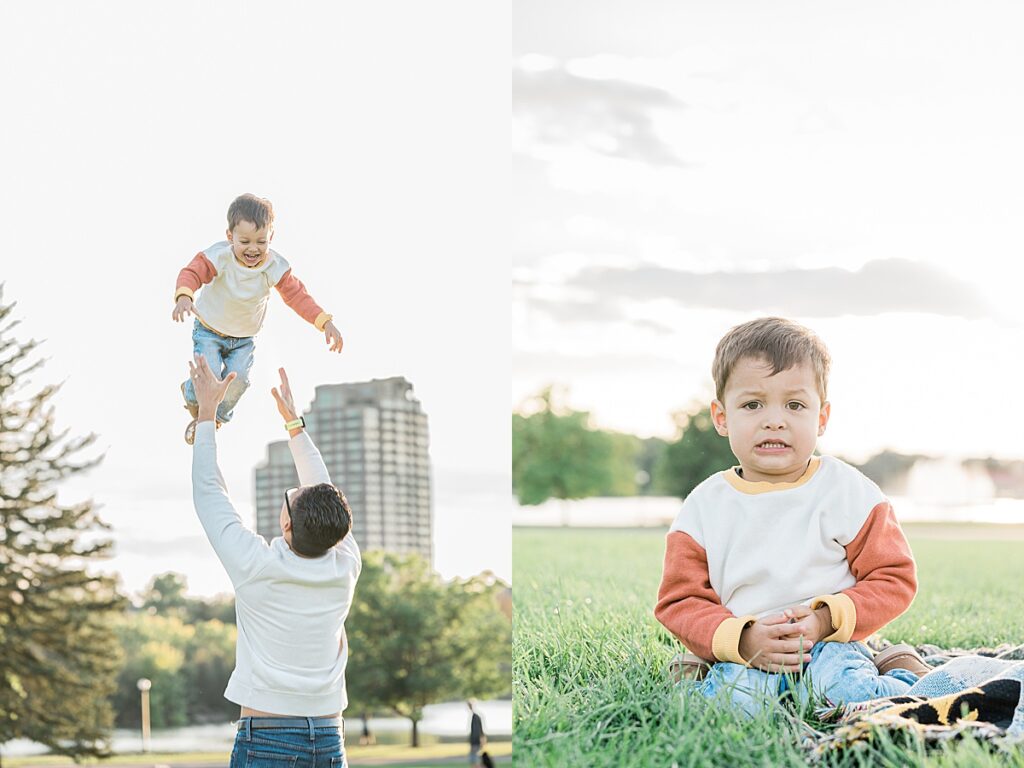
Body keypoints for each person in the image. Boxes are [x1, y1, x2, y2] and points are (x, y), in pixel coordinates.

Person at [654, 317, 931, 717]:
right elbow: (680, 600)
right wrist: (742, 639)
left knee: (852, 697)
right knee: (733, 710)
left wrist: (823, 620)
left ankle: (895, 661)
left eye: (795, 405)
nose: (774, 420)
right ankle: (698, 669)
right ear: (721, 416)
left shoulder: (848, 492)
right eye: (752, 404)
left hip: (832, 643)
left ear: (821, 418)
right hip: (746, 649)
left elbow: (894, 578)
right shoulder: (703, 507)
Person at [188, 357, 360, 765]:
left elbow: (209, 492)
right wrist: (294, 427)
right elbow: (322, 489)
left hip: (268, 742)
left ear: (286, 524)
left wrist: (207, 415)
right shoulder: (345, 564)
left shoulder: (257, 567)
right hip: (329, 739)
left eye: (293, 495)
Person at [173, 193, 344, 444]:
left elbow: (297, 296)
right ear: (230, 236)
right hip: (209, 331)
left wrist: (324, 322)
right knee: (209, 378)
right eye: (245, 241)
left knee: (238, 380)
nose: (253, 249)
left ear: (270, 238)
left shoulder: (274, 267)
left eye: (261, 242)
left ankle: (216, 417)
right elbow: (192, 272)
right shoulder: (219, 256)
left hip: (243, 339)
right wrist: (184, 296)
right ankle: (191, 393)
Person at [467, 700, 486, 767]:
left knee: (474, 760)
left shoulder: (476, 717)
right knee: (474, 760)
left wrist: (481, 741)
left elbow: (479, 731)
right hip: (475, 742)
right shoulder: (474, 716)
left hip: (476, 742)